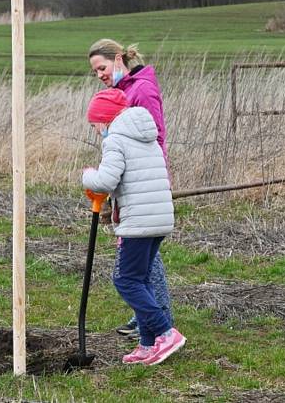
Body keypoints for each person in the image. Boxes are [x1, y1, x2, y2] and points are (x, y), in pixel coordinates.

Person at [82, 88, 186, 365]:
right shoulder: (145, 135)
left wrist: (87, 176)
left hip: (138, 222)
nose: (96, 131)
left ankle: (166, 333)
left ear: (104, 120)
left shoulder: (116, 139)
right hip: (159, 218)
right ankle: (147, 344)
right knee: (141, 280)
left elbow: (105, 181)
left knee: (126, 280)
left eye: (94, 126)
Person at [88, 38, 175, 340]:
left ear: (118, 59)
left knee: (142, 257)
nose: (99, 74)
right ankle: (147, 318)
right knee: (139, 255)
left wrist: (155, 181)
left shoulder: (141, 89)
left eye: (102, 67)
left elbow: (156, 136)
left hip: (144, 185)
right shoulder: (122, 91)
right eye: (95, 71)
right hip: (131, 182)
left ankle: (159, 319)